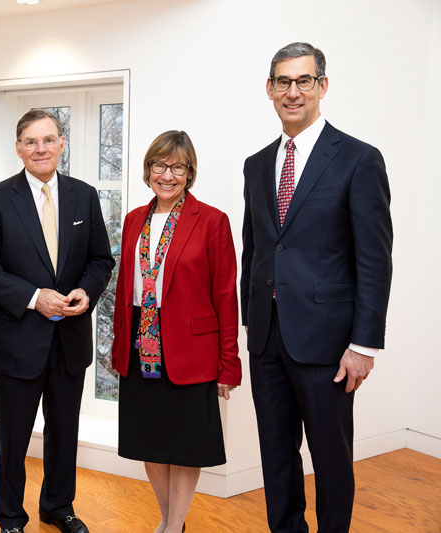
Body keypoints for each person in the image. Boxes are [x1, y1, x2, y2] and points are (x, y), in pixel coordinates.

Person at [241, 42, 393, 532]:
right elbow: (257, 250)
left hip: (330, 344)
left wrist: (364, 344)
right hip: (268, 339)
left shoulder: (358, 159)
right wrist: (251, 322)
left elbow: (374, 259)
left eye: (303, 81)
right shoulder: (257, 164)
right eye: (282, 81)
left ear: (322, 86)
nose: (293, 91)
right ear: (269, 89)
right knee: (276, 454)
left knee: (331, 458)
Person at [0, 109, 114, 533]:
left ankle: (58, 507)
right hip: (16, 344)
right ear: (18, 148)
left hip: (70, 341)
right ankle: (10, 518)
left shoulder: (84, 196)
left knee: (64, 434)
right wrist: (32, 298)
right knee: (12, 439)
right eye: (31, 142)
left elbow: (101, 259)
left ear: (62, 144)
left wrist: (87, 290)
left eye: (48, 140)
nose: (40, 148)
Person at [111, 130, 241, 533]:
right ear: (148, 169)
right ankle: (171, 521)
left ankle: (173, 526)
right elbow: (124, 289)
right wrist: (118, 349)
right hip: (141, 349)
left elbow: (225, 295)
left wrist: (229, 364)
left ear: (190, 173)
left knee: (184, 448)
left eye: (178, 167)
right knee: (151, 443)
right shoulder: (134, 220)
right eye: (159, 165)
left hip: (190, 353)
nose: (167, 175)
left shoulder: (213, 221)